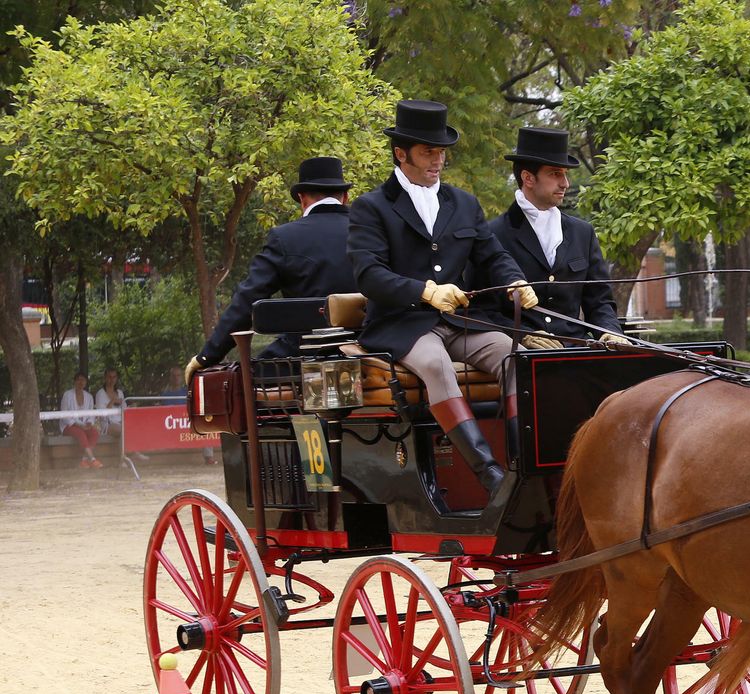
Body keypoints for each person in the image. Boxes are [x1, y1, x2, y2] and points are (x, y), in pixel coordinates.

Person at [347, 99, 538, 496]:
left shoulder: (463, 204)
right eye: (428, 152)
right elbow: (370, 275)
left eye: (441, 152)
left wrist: (515, 282)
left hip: (460, 321)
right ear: (402, 154)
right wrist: (425, 291)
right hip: (402, 324)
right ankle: (488, 474)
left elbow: (493, 255)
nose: (437, 160)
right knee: (435, 366)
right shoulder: (371, 207)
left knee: (514, 355)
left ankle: (524, 465)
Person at [187, 157, 359, 381]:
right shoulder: (372, 231)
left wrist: (207, 356)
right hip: (373, 353)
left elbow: (247, 301)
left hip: (304, 360)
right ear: (345, 197)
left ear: (302, 199)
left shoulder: (285, 238)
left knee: (243, 383)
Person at [481, 126, 623, 351]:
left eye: (565, 174)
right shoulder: (492, 234)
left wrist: (609, 332)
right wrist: (521, 335)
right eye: (555, 173)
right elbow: (481, 309)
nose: (565, 183)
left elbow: (600, 301)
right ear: (528, 177)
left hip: (576, 351)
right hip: (522, 355)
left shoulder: (582, 232)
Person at [60, 372, 101, 468]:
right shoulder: (67, 395)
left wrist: (89, 423)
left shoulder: (89, 396)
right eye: (78, 379)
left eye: (83, 380)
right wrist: (78, 425)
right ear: (74, 381)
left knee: (94, 432)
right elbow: (64, 415)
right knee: (80, 433)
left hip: (84, 425)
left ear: (86, 382)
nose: (80, 382)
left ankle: (84, 460)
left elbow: (91, 414)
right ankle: (92, 459)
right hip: (69, 426)